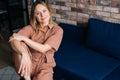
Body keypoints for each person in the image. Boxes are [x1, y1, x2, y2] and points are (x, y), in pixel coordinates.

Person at [9, 0, 63, 80]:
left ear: (49, 11)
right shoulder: (30, 28)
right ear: (34, 17)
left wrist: (25, 38)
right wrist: (23, 53)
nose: (42, 15)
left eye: (44, 11)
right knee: (19, 44)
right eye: (38, 13)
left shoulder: (57, 30)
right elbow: (12, 39)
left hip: (45, 66)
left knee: (22, 40)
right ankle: (26, 77)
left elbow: (43, 48)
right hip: (29, 63)